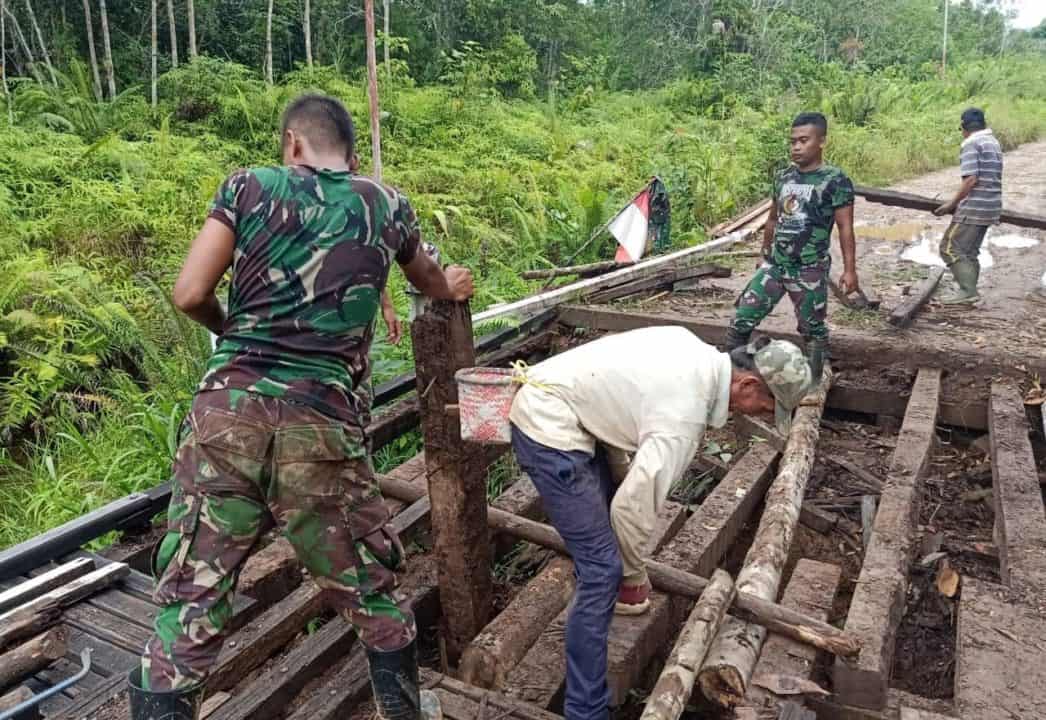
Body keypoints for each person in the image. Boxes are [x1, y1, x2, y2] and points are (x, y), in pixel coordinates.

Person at [131, 93, 473, 720]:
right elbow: (430, 280)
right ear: (347, 149)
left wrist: (233, 329)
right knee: (370, 591)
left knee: (191, 605)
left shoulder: (247, 188)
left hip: (225, 420)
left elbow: (188, 293)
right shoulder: (386, 205)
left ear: (292, 143)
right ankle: (402, 710)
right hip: (320, 425)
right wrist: (450, 285)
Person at [507, 327, 811, 720]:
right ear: (748, 384)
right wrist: (631, 575)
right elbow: (631, 511)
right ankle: (587, 711)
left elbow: (617, 404)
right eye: (769, 408)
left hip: (567, 404)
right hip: (548, 424)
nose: (764, 416)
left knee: (602, 550)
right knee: (602, 570)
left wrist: (613, 490)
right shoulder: (683, 416)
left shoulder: (691, 347)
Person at [726, 112, 858, 384]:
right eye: (793, 141)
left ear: (821, 141)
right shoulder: (784, 176)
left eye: (803, 140)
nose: (796, 147)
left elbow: (845, 227)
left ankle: (814, 383)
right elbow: (774, 217)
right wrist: (764, 250)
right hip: (776, 265)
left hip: (809, 268)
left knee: (812, 329)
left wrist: (850, 270)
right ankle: (730, 375)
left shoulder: (835, 180)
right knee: (743, 317)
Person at [932, 107, 1004, 304]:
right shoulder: (992, 142)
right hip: (991, 204)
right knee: (969, 252)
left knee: (949, 247)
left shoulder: (972, 144)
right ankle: (969, 291)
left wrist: (951, 204)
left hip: (974, 206)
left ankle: (968, 291)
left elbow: (971, 179)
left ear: (964, 127)